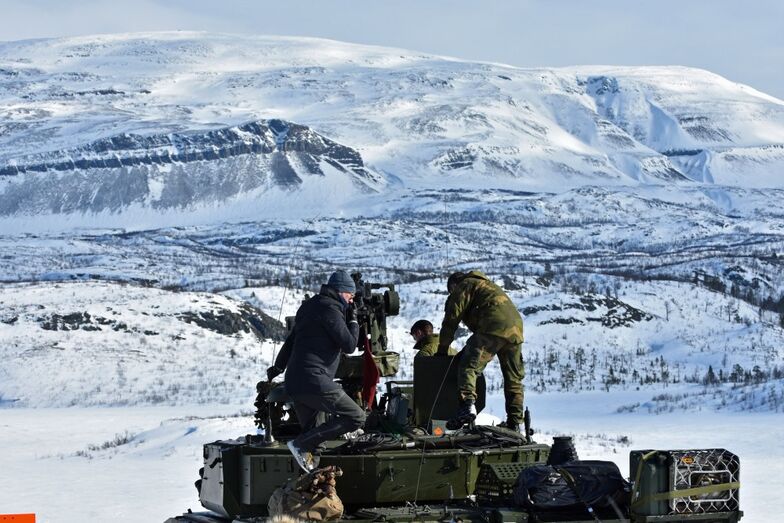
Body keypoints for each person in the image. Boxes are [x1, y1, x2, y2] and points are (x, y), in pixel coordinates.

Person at [266, 270, 365, 472]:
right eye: (350, 295)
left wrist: (278, 367)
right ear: (340, 291)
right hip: (314, 380)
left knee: (315, 442)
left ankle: (311, 484)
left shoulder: (309, 307)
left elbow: (292, 340)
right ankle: (301, 444)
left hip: (295, 381)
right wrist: (353, 321)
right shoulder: (330, 309)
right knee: (356, 417)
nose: (351, 300)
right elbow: (349, 345)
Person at [437, 270, 524, 430]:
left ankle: (467, 406)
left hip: (493, 326)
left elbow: (451, 319)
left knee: (468, 366)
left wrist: (442, 349)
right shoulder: (487, 285)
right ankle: (515, 422)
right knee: (513, 379)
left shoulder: (465, 284)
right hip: (516, 330)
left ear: (454, 285)